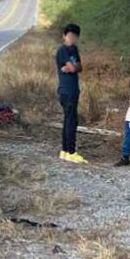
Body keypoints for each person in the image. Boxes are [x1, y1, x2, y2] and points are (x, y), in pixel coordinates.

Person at [57, 23, 87, 164]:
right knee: (71, 121)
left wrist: (72, 67)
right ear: (64, 36)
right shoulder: (63, 50)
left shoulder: (74, 49)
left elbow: (79, 67)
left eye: (74, 36)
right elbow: (73, 69)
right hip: (66, 90)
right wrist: (72, 68)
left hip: (74, 89)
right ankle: (71, 151)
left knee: (70, 120)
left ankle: (64, 150)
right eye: (69, 36)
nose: (72, 39)